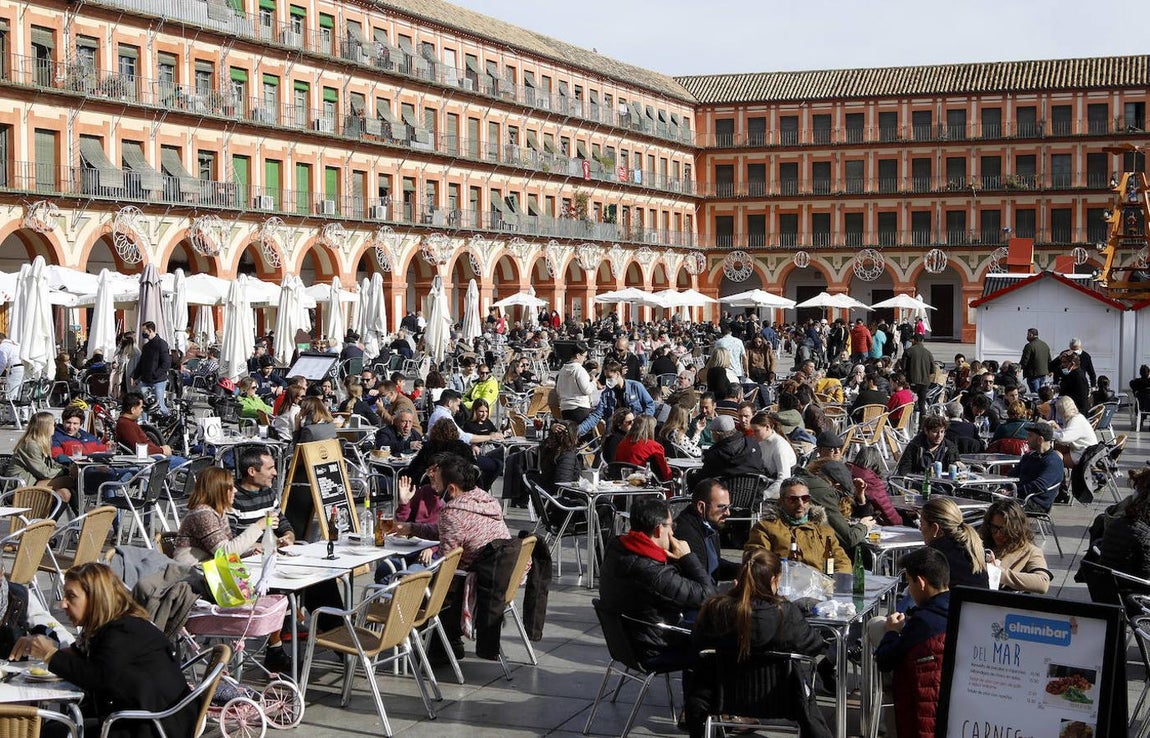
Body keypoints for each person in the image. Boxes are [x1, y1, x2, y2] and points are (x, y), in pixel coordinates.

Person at [11, 562, 197, 738]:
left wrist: (49, 654)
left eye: (71, 596)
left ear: (96, 598)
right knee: (55, 727)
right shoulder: (111, 627)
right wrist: (41, 643)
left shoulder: (123, 631)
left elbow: (97, 678)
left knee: (54, 732)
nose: (63, 604)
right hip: (142, 716)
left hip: (151, 726)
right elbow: (81, 657)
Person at [686, 548, 831, 738]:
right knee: (803, 686)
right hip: (783, 698)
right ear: (774, 580)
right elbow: (813, 646)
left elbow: (698, 642)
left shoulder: (716, 608)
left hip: (721, 698)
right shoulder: (785, 613)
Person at [395, 454, 511, 655]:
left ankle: (429, 647)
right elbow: (447, 530)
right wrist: (411, 528)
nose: (434, 488)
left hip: (471, 585)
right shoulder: (484, 500)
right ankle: (448, 645)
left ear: (451, 489)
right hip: (498, 579)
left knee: (408, 585)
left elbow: (447, 567)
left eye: (437, 482)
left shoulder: (452, 513)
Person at [598, 497, 715, 667]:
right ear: (659, 530)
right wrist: (688, 558)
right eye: (671, 526)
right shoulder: (653, 572)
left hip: (626, 642)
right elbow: (707, 595)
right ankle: (696, 694)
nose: (673, 533)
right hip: (654, 647)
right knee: (719, 644)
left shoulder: (617, 548)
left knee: (697, 617)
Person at [873, 547, 951, 738]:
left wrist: (892, 632)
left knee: (876, 627)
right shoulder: (962, 607)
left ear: (921, 582)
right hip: (949, 707)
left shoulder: (923, 622)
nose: (909, 590)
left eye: (909, 582)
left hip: (920, 711)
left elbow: (885, 660)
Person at [746, 477, 849, 572]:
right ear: (781, 501)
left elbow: (842, 562)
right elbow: (757, 560)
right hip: (783, 585)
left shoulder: (824, 531)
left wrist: (832, 584)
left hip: (819, 586)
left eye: (805, 498)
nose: (800, 503)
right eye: (793, 499)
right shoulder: (765, 528)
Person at [979, 499, 1052, 594]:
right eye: (994, 528)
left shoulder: (1030, 551)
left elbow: (1043, 583)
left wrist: (998, 574)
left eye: (1004, 530)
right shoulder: (980, 542)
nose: (998, 534)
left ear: (1016, 530)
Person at [674, 478, 738, 584]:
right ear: (701, 507)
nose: (728, 513)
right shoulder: (687, 534)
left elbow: (714, 566)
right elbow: (698, 581)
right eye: (722, 507)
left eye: (728, 507)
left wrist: (744, 569)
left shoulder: (709, 525)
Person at [918, 497, 989, 590]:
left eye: (921, 524)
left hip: (954, 603)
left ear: (935, 528)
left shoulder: (934, 557)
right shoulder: (972, 547)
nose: (920, 529)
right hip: (980, 603)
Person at [10, 411, 75, 505]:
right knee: (70, 480)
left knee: (65, 493)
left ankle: (73, 517)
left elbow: (51, 464)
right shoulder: (30, 445)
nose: (55, 427)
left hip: (36, 481)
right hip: (22, 486)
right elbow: (44, 472)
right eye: (54, 424)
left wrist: (68, 467)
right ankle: (82, 514)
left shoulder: (42, 442)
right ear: (45, 427)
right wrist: (67, 471)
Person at [578, 361, 656, 438]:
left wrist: (642, 423)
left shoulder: (636, 386)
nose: (607, 381)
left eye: (610, 377)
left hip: (635, 430)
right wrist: (578, 430)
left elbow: (650, 405)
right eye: (606, 378)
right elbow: (597, 415)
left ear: (618, 374)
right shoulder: (606, 394)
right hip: (615, 432)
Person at [699, 415, 766, 481]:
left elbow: (703, 477)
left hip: (725, 490)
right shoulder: (752, 443)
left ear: (717, 434)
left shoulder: (714, 454)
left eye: (712, 432)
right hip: (755, 488)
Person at [749, 412, 796, 497]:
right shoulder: (762, 442)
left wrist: (764, 495)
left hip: (782, 488)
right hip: (768, 480)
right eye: (752, 431)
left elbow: (783, 479)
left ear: (767, 427)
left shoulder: (780, 446)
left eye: (756, 431)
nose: (753, 434)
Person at [614, 415, 672, 482]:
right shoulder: (654, 446)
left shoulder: (622, 443)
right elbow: (666, 473)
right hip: (644, 483)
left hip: (623, 481)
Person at [131, 321, 171, 415]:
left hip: (158, 380)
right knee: (143, 405)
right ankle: (145, 425)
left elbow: (166, 363)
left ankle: (169, 418)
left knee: (159, 405)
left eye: (144, 331)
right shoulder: (146, 347)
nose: (143, 333)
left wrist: (156, 374)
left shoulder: (161, 344)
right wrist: (134, 376)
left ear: (150, 330)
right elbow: (141, 363)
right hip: (145, 380)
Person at [1049, 396, 1098, 467]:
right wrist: (1057, 430)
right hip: (1083, 450)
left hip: (1084, 455)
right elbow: (1068, 434)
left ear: (1063, 411)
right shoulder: (1077, 417)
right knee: (1057, 448)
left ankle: (1057, 475)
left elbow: (1063, 439)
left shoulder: (1075, 421)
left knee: (1054, 458)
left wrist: (1049, 432)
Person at [537, 420, 583, 493]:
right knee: (602, 501)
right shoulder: (567, 455)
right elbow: (563, 484)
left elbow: (544, 443)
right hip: (561, 498)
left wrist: (551, 431)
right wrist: (581, 486)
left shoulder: (548, 449)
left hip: (546, 494)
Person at [556, 341, 596, 424]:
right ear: (578, 355)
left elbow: (558, 390)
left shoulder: (562, 370)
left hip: (565, 408)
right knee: (583, 435)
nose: (585, 359)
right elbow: (587, 390)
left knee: (570, 434)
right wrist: (594, 382)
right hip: (580, 407)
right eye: (584, 356)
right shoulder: (579, 370)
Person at [902, 333, 934, 414]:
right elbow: (932, 369)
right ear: (922, 341)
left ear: (914, 340)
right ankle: (922, 424)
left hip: (912, 381)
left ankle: (909, 423)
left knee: (910, 403)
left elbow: (903, 367)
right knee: (921, 404)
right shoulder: (928, 353)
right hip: (925, 382)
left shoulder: (908, 351)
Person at [1020, 327, 1052, 393]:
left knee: (1035, 395)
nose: (1027, 336)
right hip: (1043, 374)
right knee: (1041, 394)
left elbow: (1025, 360)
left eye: (1028, 335)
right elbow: (1049, 359)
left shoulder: (1029, 346)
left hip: (1033, 375)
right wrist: (1050, 370)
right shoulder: (1045, 345)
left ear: (1031, 335)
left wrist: (1019, 368)